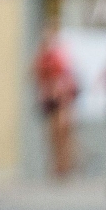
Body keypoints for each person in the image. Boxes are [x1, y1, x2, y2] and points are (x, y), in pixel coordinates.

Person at [32, 23, 79, 180]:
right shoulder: (41, 57)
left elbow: (68, 78)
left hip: (61, 99)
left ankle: (64, 166)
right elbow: (36, 77)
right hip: (50, 99)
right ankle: (57, 165)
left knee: (63, 132)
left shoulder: (61, 55)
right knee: (52, 134)